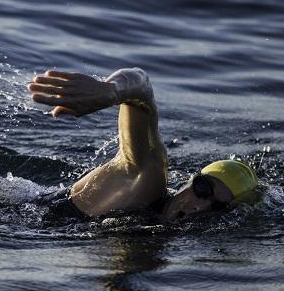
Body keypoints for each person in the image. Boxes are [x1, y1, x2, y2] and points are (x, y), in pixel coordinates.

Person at [27, 68, 258, 221]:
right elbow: (142, 87)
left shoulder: (159, 229)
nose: (200, 206)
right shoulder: (146, 178)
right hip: (12, 220)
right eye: (203, 189)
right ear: (191, 180)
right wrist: (111, 91)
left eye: (217, 207)